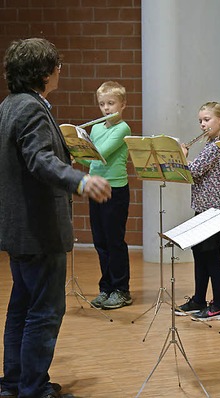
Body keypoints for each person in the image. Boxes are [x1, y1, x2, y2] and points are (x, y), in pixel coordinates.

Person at [0, 38, 111, 398]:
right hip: (39, 230)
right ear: (46, 72)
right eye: (58, 66)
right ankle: (33, 387)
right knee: (44, 313)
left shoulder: (9, 105)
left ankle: (14, 382)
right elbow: (39, 159)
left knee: (21, 307)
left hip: (18, 229)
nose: (60, 71)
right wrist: (80, 179)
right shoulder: (32, 109)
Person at [175, 101, 220, 321]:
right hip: (204, 208)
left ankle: (219, 306)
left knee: (212, 258)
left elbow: (195, 170)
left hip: (215, 209)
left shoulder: (219, 145)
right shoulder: (211, 144)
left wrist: (180, 156)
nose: (202, 124)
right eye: (200, 120)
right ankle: (199, 299)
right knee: (199, 254)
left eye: (206, 120)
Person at [82, 81, 132, 310]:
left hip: (115, 190)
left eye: (111, 103)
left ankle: (121, 290)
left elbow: (100, 154)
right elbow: (88, 160)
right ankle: (106, 287)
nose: (106, 108)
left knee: (114, 241)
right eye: (102, 104)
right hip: (96, 187)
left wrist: (83, 150)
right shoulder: (96, 128)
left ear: (122, 104)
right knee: (100, 242)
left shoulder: (122, 128)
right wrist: (74, 150)